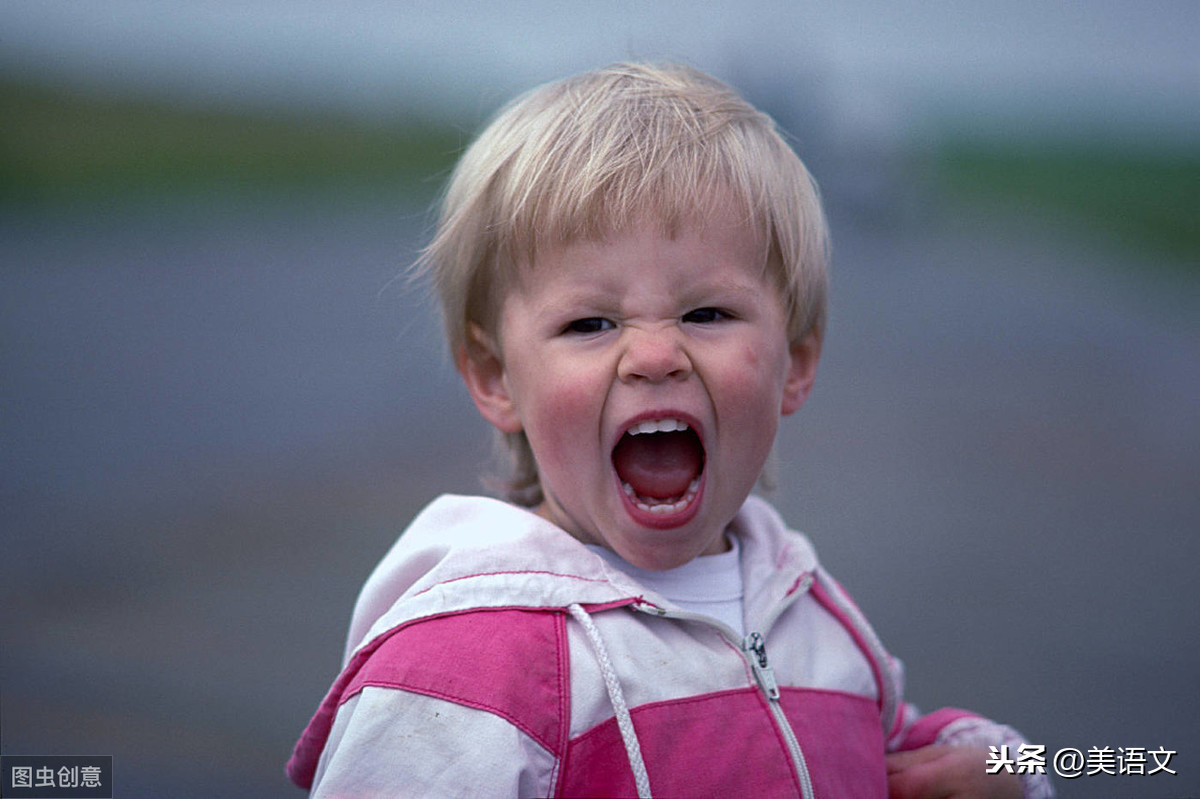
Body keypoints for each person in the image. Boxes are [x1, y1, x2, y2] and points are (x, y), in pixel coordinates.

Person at [286, 62, 1052, 798]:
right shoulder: (461, 678)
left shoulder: (813, 615)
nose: (654, 355)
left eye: (707, 313)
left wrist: (1009, 767)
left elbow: (888, 743)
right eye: (590, 322)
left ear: (797, 361)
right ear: (496, 379)